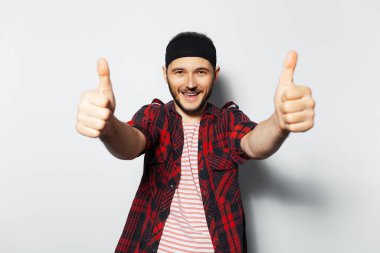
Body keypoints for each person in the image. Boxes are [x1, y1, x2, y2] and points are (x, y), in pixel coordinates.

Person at [75, 32, 316, 253]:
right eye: (179, 72)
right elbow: (130, 143)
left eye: (201, 71)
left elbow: (254, 143)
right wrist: (108, 126)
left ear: (215, 74)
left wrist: (279, 123)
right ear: (165, 74)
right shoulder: (154, 116)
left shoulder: (227, 121)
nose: (190, 83)